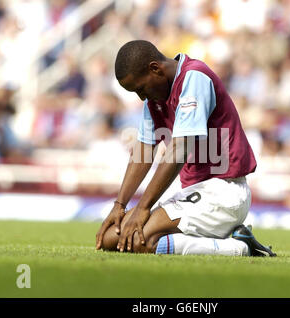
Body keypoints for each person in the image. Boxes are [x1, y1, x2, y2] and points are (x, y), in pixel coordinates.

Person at [95, 40, 276, 257]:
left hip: (223, 191)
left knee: (139, 242)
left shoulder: (194, 78)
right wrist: (120, 205)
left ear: (155, 68)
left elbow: (180, 149)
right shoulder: (154, 98)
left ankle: (241, 248)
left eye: (141, 89)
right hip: (191, 192)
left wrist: (143, 207)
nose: (141, 97)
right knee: (111, 239)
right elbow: (143, 150)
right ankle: (216, 239)